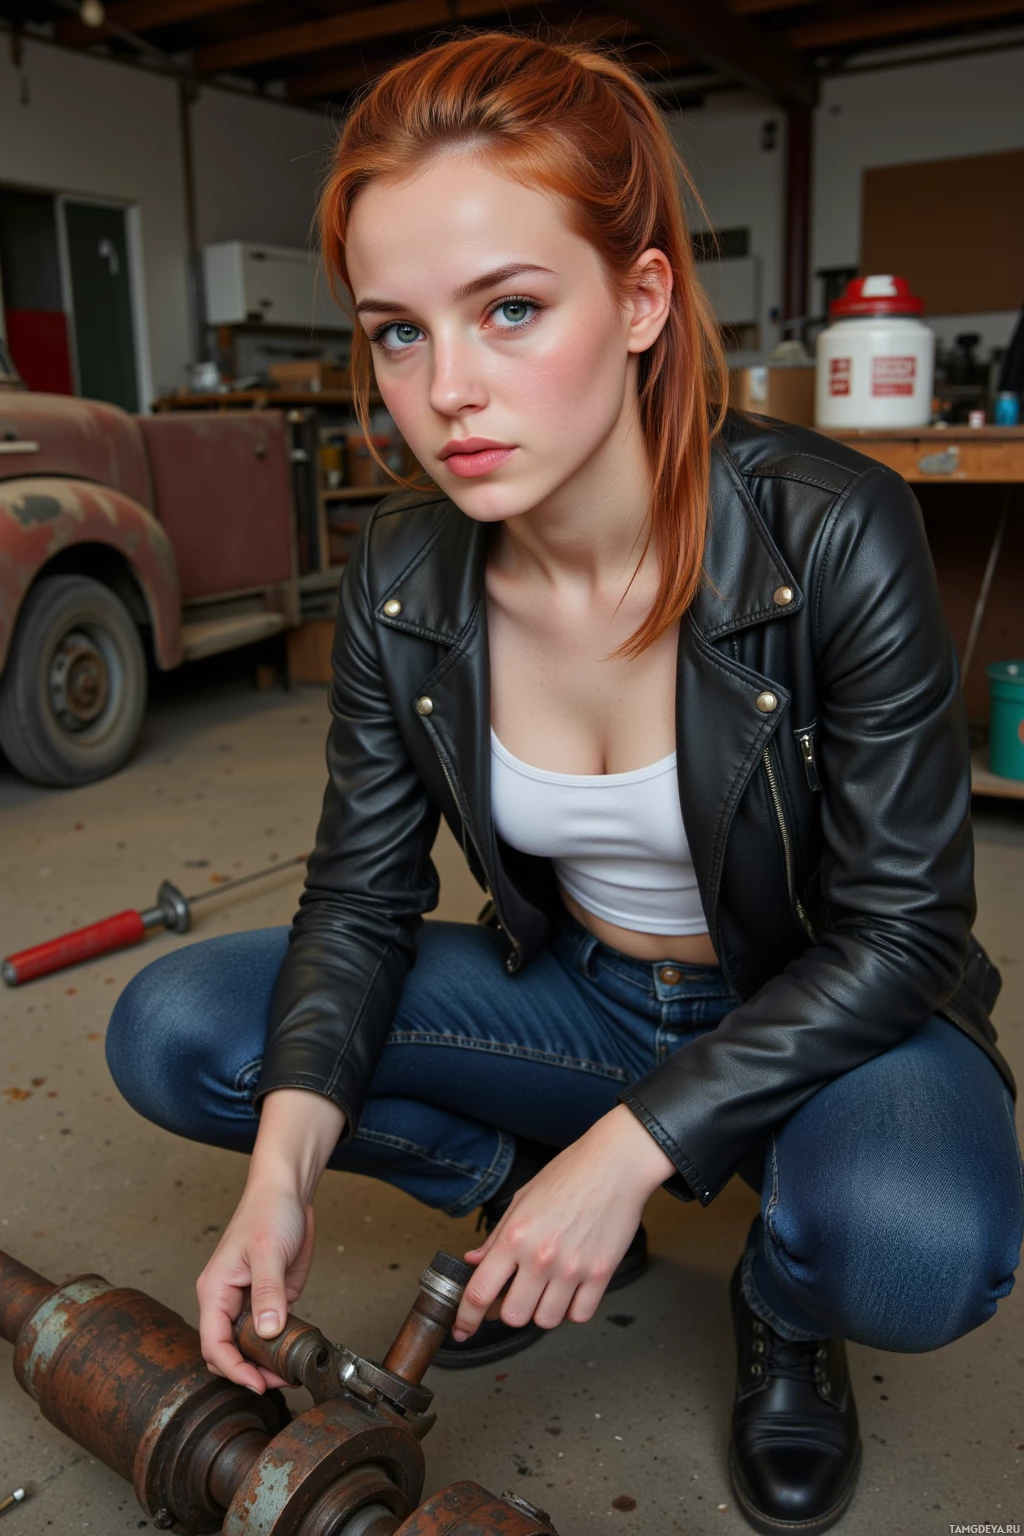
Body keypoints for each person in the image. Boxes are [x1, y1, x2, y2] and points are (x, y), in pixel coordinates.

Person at [106, 32, 1023, 1536]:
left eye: (511, 309)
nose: (445, 390)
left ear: (643, 298)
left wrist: (631, 1154)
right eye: (397, 333)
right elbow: (361, 894)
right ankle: (516, 1196)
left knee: (916, 1245)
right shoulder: (406, 570)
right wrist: (279, 1179)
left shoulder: (832, 529)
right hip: (585, 998)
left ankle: (780, 1309)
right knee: (188, 1032)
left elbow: (908, 930)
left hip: (829, 1009)